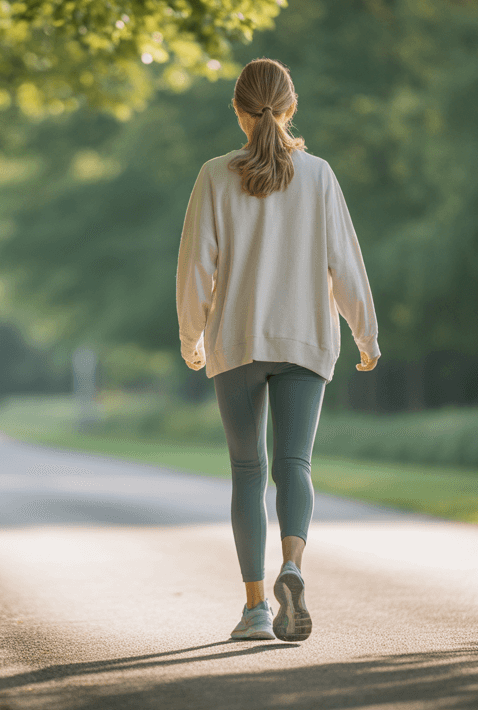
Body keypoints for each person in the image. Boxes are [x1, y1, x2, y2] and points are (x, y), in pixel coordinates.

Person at [175, 58, 380, 642]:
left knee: (247, 470)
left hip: (237, 340)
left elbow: (196, 269)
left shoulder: (215, 175)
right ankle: (293, 565)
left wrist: (191, 337)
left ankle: (256, 609)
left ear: (239, 112)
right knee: (294, 465)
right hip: (306, 339)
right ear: (291, 109)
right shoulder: (318, 175)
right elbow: (345, 262)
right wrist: (366, 335)